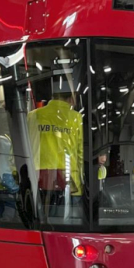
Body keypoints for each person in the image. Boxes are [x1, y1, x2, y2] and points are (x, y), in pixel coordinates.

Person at [26, 77, 84, 220]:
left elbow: (19, 150)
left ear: (52, 96)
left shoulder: (32, 116)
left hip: (36, 182)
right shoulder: (76, 118)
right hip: (69, 184)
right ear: (72, 97)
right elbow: (81, 153)